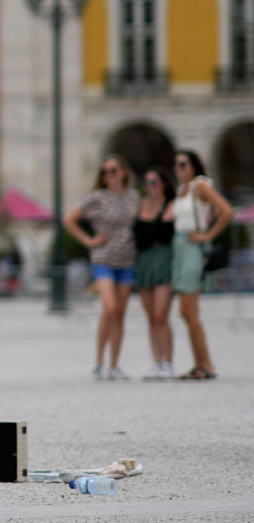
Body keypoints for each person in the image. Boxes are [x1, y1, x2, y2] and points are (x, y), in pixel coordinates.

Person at [63, 155, 140, 380]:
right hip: (103, 258)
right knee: (109, 307)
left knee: (120, 314)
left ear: (124, 172)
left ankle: (114, 364)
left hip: (127, 259)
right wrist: (88, 240)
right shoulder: (96, 198)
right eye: (105, 171)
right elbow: (69, 218)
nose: (109, 175)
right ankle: (98, 360)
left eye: (113, 170)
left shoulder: (134, 197)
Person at [165, 149, 232, 381]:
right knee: (188, 311)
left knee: (188, 310)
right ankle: (200, 363)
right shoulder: (182, 191)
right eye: (176, 164)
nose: (178, 168)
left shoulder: (200, 186)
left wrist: (207, 235)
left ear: (194, 166)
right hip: (180, 248)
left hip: (193, 247)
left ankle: (206, 364)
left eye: (183, 164)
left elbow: (226, 210)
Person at [134, 166, 177, 380]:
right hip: (143, 261)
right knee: (151, 316)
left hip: (163, 260)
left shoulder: (172, 205)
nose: (150, 186)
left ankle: (168, 361)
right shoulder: (139, 205)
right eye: (147, 182)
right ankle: (156, 360)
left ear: (164, 184)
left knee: (162, 315)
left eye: (154, 182)